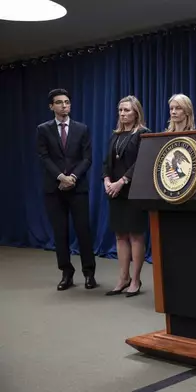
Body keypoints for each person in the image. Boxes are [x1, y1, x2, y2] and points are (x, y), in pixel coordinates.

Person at [37, 88, 97, 291]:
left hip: (77, 187)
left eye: (67, 102)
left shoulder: (82, 128)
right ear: (51, 106)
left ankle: (89, 273)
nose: (64, 105)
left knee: (83, 231)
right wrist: (60, 177)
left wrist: (72, 177)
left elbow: (87, 158)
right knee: (60, 232)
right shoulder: (43, 129)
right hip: (54, 189)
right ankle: (66, 272)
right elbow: (44, 157)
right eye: (59, 102)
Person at [102, 95, 150, 298]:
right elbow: (107, 162)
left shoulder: (143, 134)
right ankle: (123, 278)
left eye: (127, 110)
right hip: (115, 192)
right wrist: (106, 180)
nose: (123, 114)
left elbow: (141, 162)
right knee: (120, 235)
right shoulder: (116, 135)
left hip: (133, 191)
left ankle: (136, 280)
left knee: (135, 235)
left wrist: (121, 181)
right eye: (120, 110)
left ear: (136, 112)